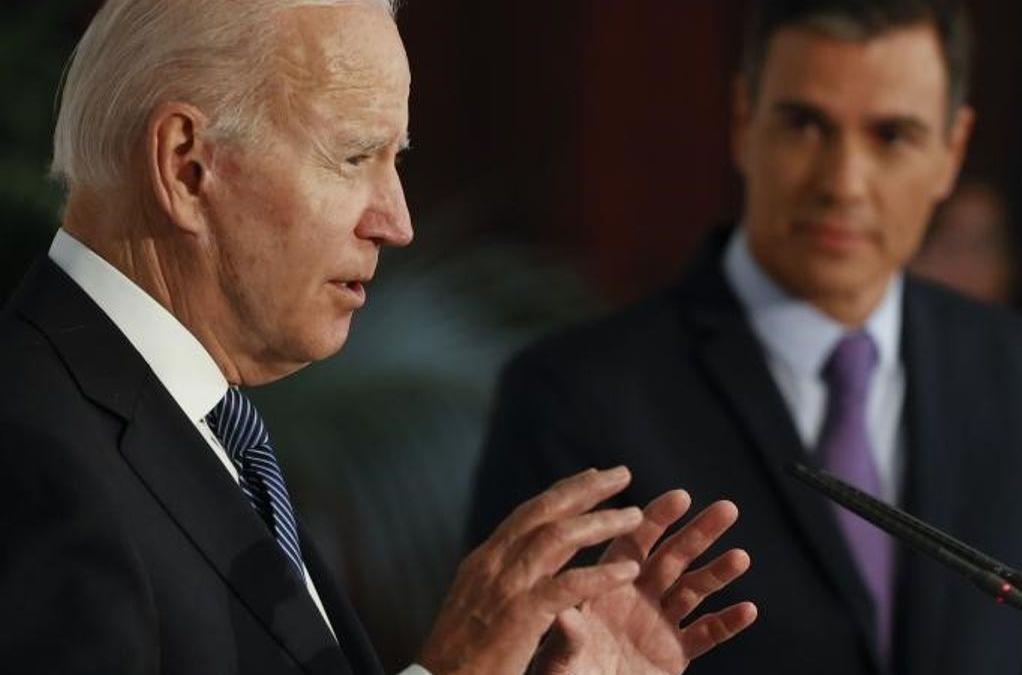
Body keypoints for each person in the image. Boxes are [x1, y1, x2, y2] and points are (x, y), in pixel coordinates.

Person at [0, 1, 757, 674]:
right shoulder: (29, 449)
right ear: (187, 166)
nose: (397, 222)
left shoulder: (203, 432)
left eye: (397, 161)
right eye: (355, 155)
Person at [470, 1, 1022, 673]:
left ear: (951, 151)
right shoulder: (573, 395)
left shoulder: (1015, 367)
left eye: (892, 135)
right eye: (805, 124)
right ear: (744, 120)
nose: (843, 183)